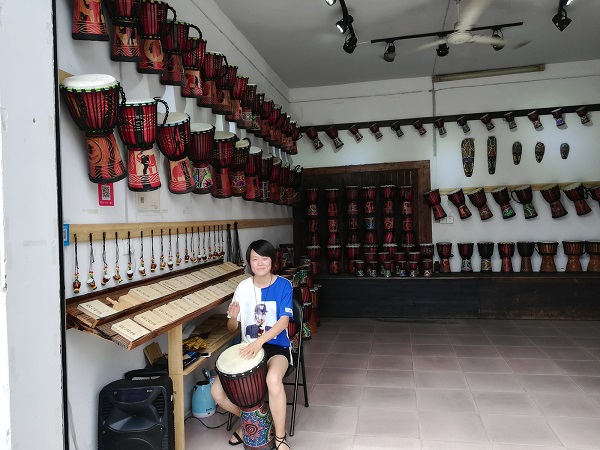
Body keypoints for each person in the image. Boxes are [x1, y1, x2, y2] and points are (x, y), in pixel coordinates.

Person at [211, 239, 293, 449]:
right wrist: (233, 317)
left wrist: (260, 342)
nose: (260, 263)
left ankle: (280, 437)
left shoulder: (284, 285)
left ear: (272, 261)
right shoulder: (243, 287)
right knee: (217, 393)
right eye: (254, 259)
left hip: (276, 347)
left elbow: (283, 321)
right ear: (249, 263)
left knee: (273, 380)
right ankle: (255, 421)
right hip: (247, 348)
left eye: (264, 258)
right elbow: (232, 328)